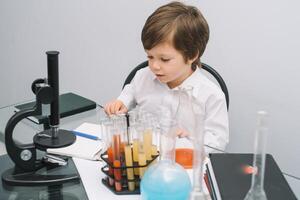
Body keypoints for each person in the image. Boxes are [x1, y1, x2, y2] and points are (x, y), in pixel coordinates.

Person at [104, 1, 229, 153]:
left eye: (164, 59)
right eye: (150, 56)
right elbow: (131, 91)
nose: (154, 66)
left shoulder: (211, 96)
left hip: (183, 165)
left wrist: (191, 139)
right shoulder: (143, 76)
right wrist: (121, 102)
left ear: (191, 55)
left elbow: (217, 145)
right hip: (144, 158)